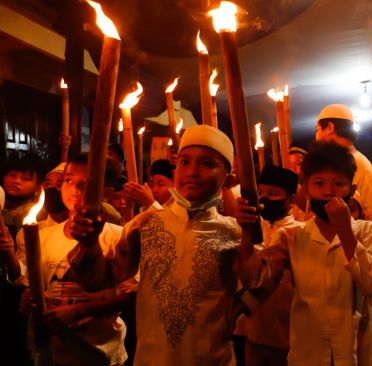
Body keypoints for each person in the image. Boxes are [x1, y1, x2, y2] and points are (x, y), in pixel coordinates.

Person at [66, 125, 243, 365]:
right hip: (152, 357)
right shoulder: (147, 224)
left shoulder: (234, 233)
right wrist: (89, 245)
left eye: (207, 164)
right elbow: (99, 280)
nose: (192, 172)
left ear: (228, 178)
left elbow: (257, 290)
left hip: (212, 358)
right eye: (184, 162)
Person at [238, 142, 372, 366]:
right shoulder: (294, 238)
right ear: (306, 190)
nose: (328, 192)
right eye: (319, 183)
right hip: (310, 354)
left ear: (351, 190)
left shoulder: (366, 232)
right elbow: (255, 277)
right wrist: (246, 230)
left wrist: (345, 230)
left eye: (338, 184)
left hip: (357, 352)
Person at [15, 153, 135, 365]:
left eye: (87, 182)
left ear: (106, 192)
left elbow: (131, 295)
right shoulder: (43, 236)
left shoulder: (118, 236)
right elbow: (36, 286)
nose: (75, 188)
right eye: (68, 180)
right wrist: (29, 297)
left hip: (102, 354)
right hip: (54, 353)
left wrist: (79, 310)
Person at [234, 165, 301, 365]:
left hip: (285, 331)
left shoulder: (298, 233)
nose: (265, 199)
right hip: (251, 330)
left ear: (291, 200)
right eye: (261, 192)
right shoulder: (248, 229)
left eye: (273, 194)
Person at [315, 104, 372, 225]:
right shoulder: (330, 163)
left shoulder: (361, 165)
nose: (316, 137)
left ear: (329, 127)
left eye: (317, 130)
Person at [1, 154, 43, 239]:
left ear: (37, 188)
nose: (16, 181)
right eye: (12, 175)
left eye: (25, 178)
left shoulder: (38, 214)